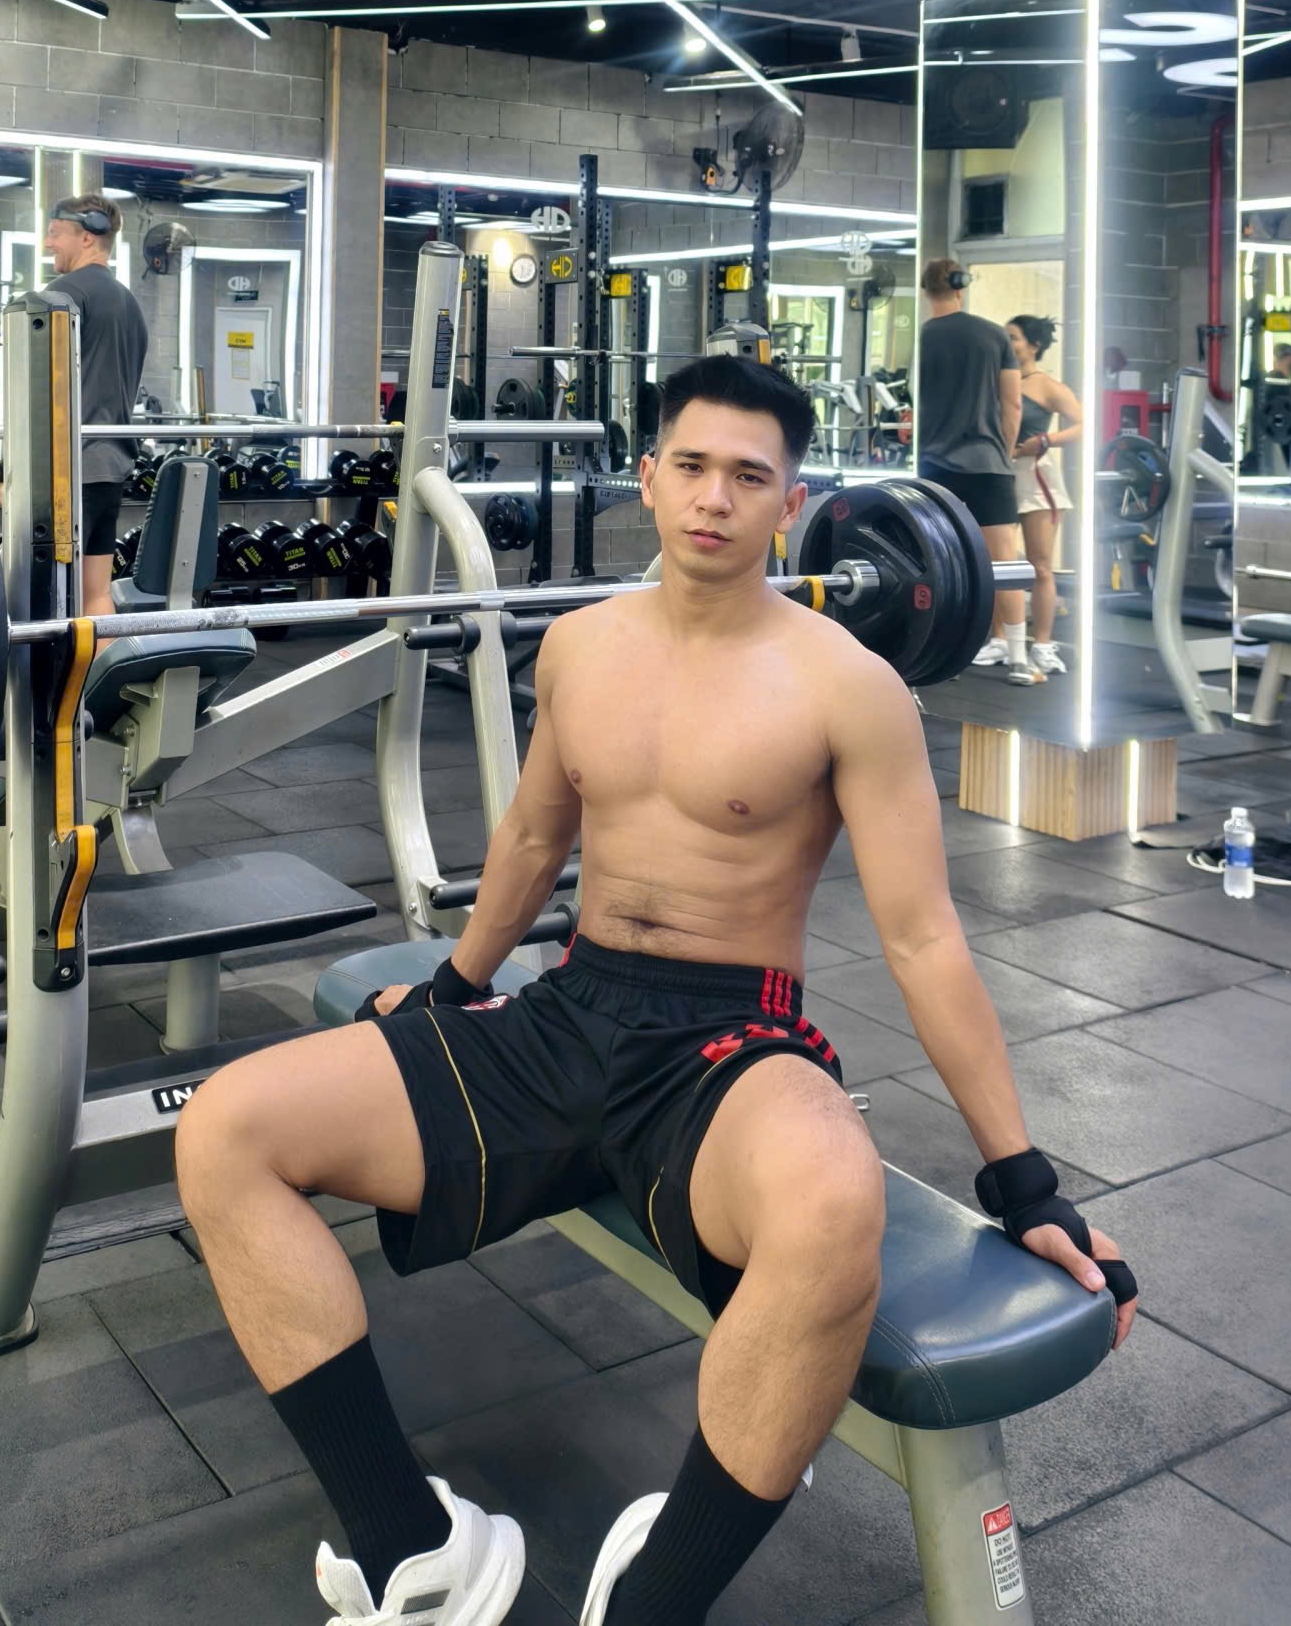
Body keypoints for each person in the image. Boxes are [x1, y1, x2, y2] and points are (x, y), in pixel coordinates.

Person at [172, 354, 1135, 1626]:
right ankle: (413, 1550)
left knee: (832, 1203)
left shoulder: (850, 686)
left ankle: (657, 1597)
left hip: (729, 1044)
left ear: (792, 503)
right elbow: (532, 837)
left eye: (749, 476)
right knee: (224, 1130)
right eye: (691, 465)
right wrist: (456, 985)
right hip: (569, 1011)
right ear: (648, 477)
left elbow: (924, 939)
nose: (714, 498)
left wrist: (1024, 1181)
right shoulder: (579, 647)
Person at [913, 259, 1036, 683]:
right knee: (1003, 561)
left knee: (936, 563)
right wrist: (1003, 451)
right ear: (960, 287)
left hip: (932, 466)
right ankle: (1019, 659)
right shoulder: (993, 334)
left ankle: (938, 657)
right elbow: (1012, 403)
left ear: (926, 291)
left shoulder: (921, 337)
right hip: (986, 465)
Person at [43, 195, 147, 614]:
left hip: (67, 471)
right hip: (109, 468)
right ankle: (102, 661)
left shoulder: (64, 293)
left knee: (49, 602)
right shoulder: (129, 302)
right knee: (96, 594)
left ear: (87, 237)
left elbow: (41, 390)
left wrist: (18, 471)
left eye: (55, 233)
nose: (47, 243)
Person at [986, 314, 1081, 682]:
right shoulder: (997, 380)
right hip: (999, 474)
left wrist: (1046, 440)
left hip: (1036, 477)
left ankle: (1042, 644)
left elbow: (1083, 424)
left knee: (1040, 566)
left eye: (1014, 337)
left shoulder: (1047, 386)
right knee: (997, 564)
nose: (1008, 343)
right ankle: (1000, 639)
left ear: (1034, 345)